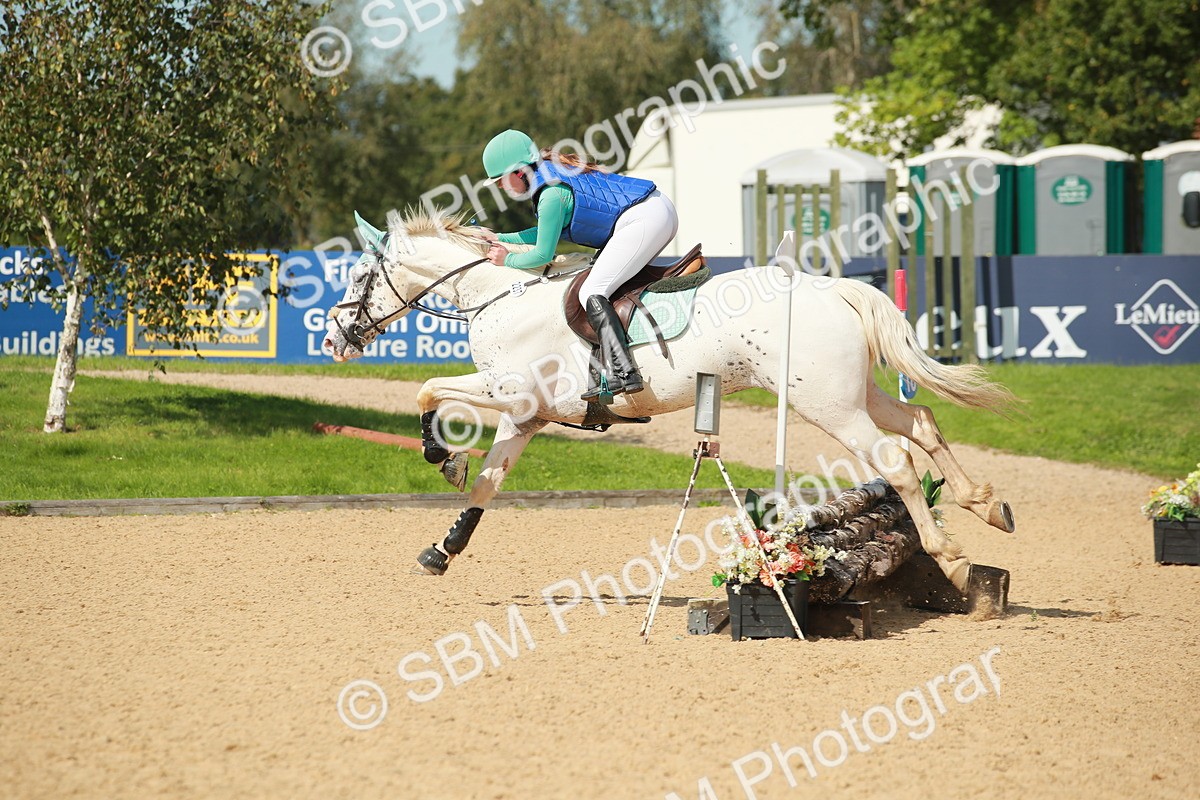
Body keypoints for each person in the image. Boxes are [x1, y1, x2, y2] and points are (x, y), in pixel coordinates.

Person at [480, 129, 679, 400]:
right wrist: (499, 237)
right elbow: (543, 231)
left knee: (591, 291)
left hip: (645, 218)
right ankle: (604, 373)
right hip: (651, 211)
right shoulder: (549, 174)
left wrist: (507, 259)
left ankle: (625, 371)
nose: (501, 188)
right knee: (596, 284)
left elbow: (542, 254)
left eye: (500, 181)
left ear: (518, 171)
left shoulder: (550, 193)